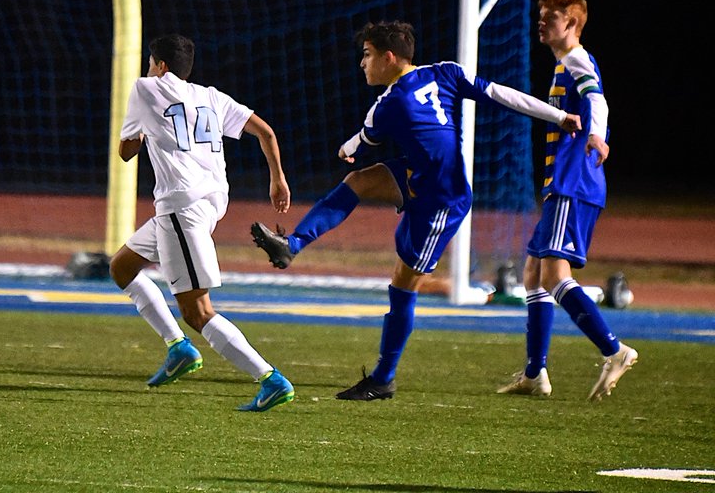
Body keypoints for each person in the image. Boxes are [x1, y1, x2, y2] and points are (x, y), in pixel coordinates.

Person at [250, 20, 582, 401]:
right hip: (417, 179)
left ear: (389, 57)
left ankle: (383, 378)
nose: (363, 63)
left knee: (402, 285)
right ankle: (291, 243)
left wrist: (349, 145)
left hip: (441, 201)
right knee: (359, 181)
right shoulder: (446, 72)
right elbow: (502, 95)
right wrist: (559, 117)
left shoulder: (387, 105)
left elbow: (366, 136)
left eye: (367, 54)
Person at [110, 33, 295, 412]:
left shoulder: (146, 89)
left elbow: (126, 152)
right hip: (209, 203)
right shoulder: (212, 96)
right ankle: (178, 348)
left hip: (181, 207)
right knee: (122, 266)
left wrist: (142, 131)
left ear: (160, 65)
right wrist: (277, 178)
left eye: (151, 63)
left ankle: (269, 378)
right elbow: (266, 132)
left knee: (198, 311)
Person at [496, 0, 636, 401]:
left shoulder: (576, 58)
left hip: (573, 184)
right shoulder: (563, 63)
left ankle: (615, 350)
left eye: (550, 17)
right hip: (565, 184)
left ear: (571, 24)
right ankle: (535, 373)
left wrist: (595, 134)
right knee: (532, 275)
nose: (541, 22)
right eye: (540, 15)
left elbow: (597, 97)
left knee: (556, 275)